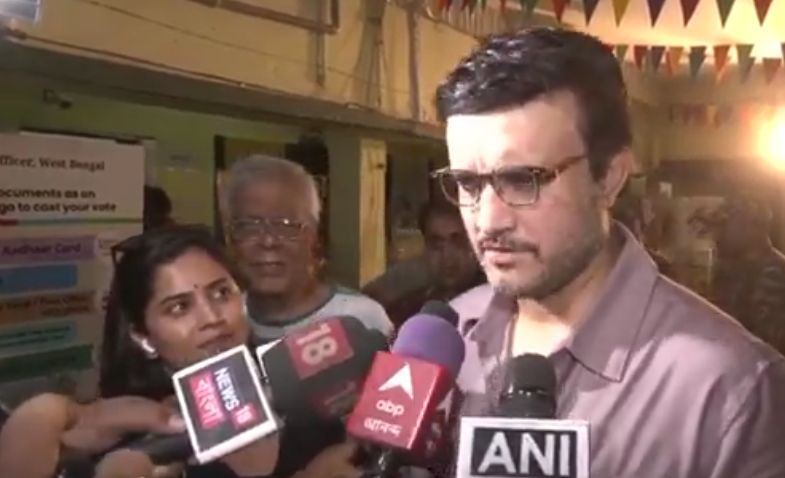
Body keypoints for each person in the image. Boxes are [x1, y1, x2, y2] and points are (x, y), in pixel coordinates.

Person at [434, 27, 785, 477]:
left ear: (610, 177)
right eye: (468, 184)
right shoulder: (445, 340)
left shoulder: (732, 392)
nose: (488, 220)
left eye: (524, 180)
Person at [0, 226, 362, 478]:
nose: (211, 318)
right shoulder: (125, 445)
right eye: (178, 307)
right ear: (144, 336)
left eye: (222, 293)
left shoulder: (314, 398)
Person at [222, 155, 393, 342]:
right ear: (230, 238)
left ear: (314, 237)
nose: (269, 241)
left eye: (285, 226)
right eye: (250, 226)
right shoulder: (222, 324)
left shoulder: (361, 319)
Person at [379, 200, 484, 327]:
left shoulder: (496, 305)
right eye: (437, 245)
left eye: (458, 242)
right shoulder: (406, 310)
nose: (447, 255)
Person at [709, 193, 785, 354]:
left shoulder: (772, 272)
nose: (718, 234)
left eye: (725, 225)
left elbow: (771, 339)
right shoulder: (735, 269)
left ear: (750, 227)